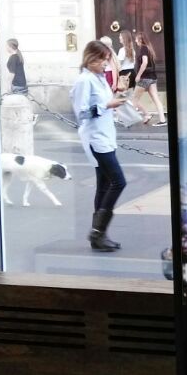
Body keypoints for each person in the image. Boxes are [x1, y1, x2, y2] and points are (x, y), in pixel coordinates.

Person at [72, 41, 128, 252]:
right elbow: (82, 113)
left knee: (104, 185)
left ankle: (99, 235)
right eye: (102, 59)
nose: (106, 63)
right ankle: (97, 232)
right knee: (118, 182)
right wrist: (107, 105)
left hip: (105, 136)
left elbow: (102, 105)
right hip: (96, 139)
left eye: (107, 59)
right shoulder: (84, 80)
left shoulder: (99, 78)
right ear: (90, 58)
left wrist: (116, 100)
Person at [132, 30, 167, 127]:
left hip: (145, 78)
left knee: (134, 99)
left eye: (136, 39)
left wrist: (138, 75)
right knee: (156, 99)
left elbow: (145, 62)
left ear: (140, 39)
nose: (135, 40)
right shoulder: (149, 48)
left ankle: (131, 119)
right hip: (152, 77)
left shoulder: (143, 48)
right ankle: (162, 120)